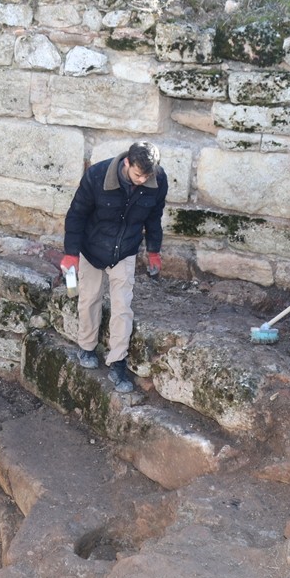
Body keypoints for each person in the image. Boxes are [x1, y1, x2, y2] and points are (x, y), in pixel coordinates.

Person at [60, 141, 167, 393]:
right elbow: (76, 214)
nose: (142, 180)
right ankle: (87, 347)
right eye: (138, 175)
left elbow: (154, 217)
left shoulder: (157, 181)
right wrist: (71, 254)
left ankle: (117, 361)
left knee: (122, 307)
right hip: (91, 246)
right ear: (127, 163)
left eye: (148, 176)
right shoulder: (97, 176)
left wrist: (153, 251)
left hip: (125, 250)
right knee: (88, 299)